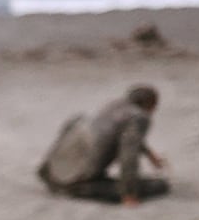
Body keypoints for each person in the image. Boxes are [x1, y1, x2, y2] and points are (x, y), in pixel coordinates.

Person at [38, 85, 170, 205]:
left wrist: (150, 155)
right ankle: (78, 187)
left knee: (78, 121)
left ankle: (52, 175)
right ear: (151, 104)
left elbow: (125, 136)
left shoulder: (114, 106)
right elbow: (128, 155)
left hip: (53, 176)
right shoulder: (140, 117)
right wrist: (129, 194)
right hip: (75, 182)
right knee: (159, 185)